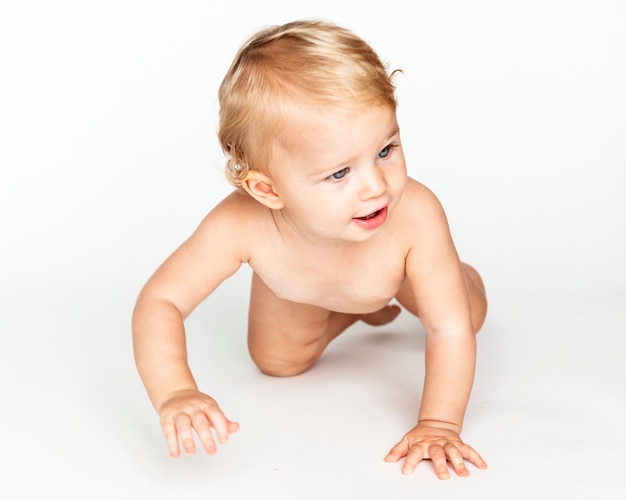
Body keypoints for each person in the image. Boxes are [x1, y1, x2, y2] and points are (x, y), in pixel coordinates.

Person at [132, 19, 488, 479]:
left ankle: (448, 279)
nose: (377, 186)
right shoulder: (241, 223)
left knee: (468, 314)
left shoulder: (414, 214)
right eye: (339, 174)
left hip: (401, 276)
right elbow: (160, 300)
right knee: (278, 363)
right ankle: (358, 309)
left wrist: (439, 423)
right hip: (304, 287)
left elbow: (449, 331)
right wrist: (175, 391)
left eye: (385, 150)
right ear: (267, 190)